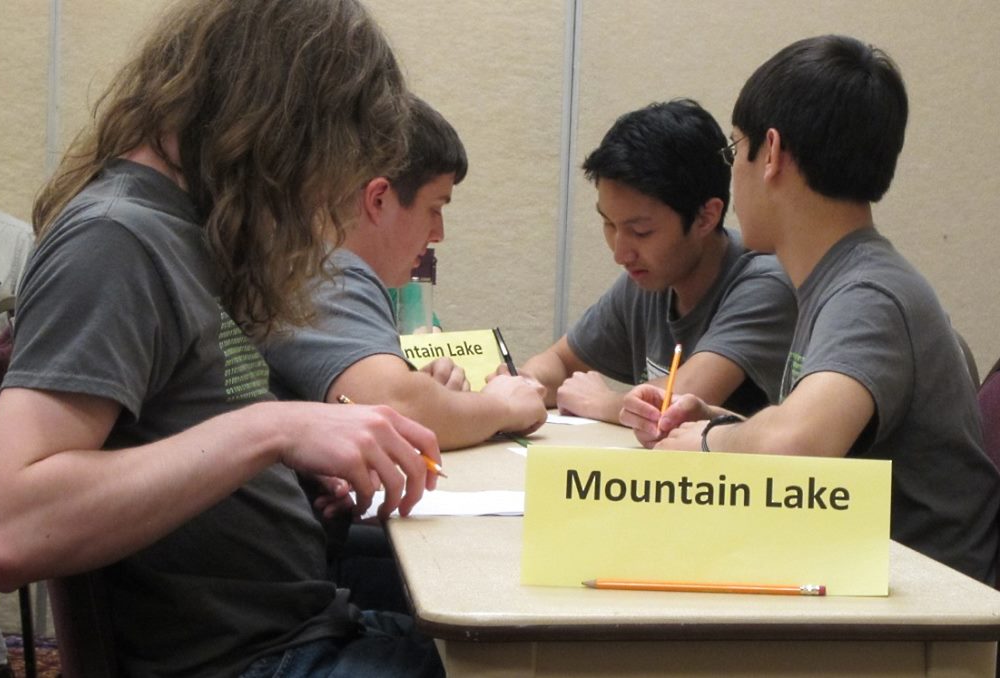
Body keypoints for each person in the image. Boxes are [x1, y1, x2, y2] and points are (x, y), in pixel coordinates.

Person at [0, 1, 449, 676]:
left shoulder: (184, 234)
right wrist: (270, 432)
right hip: (257, 661)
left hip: (300, 629)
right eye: (328, 158)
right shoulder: (116, 238)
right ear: (281, 125)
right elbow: (5, 524)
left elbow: (183, 439)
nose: (326, 194)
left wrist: (294, 474)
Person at [620, 35, 1000, 584]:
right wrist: (722, 423)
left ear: (770, 153)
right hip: (863, 583)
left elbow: (797, 445)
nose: (734, 172)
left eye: (734, 150)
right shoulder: (841, 279)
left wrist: (707, 442)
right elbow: (819, 448)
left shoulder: (868, 295)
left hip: (921, 623)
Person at [263, 95, 547, 451]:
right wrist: (504, 405)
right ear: (378, 199)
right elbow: (397, 409)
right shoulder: (325, 271)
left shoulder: (307, 261)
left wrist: (433, 395)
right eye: (434, 208)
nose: (438, 233)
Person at [514, 100, 796, 423]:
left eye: (641, 231)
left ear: (706, 217)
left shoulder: (764, 283)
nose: (621, 254)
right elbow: (560, 361)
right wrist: (524, 386)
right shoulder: (647, 279)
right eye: (609, 224)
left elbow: (680, 399)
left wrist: (599, 402)